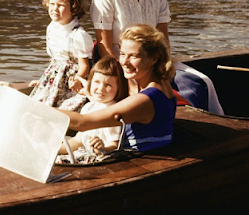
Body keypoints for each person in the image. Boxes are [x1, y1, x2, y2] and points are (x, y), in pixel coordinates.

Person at [90, 0, 223, 114]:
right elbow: (104, 48)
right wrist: (125, 76)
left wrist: (163, 70)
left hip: (153, 60)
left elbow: (163, 39)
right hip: (124, 65)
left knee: (201, 83)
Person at [61, 24, 176, 153]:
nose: (124, 62)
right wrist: (90, 92)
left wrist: (39, 110)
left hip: (142, 160)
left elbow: (82, 123)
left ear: (154, 58)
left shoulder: (147, 99)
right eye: (122, 53)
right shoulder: (158, 81)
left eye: (133, 56)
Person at [30, 0, 94, 111]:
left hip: (71, 78)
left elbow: (85, 65)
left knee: (66, 109)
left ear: (74, 7)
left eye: (61, 5)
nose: (54, 8)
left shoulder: (78, 35)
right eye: (52, 4)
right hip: (54, 74)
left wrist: (77, 79)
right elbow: (54, 58)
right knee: (40, 104)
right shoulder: (51, 27)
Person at [57, 56, 129, 162]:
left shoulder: (113, 110)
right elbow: (78, 140)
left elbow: (114, 144)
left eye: (108, 85)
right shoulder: (89, 107)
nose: (100, 89)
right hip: (84, 152)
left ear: (119, 88)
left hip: (100, 158)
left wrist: (102, 148)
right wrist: (56, 149)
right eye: (96, 82)